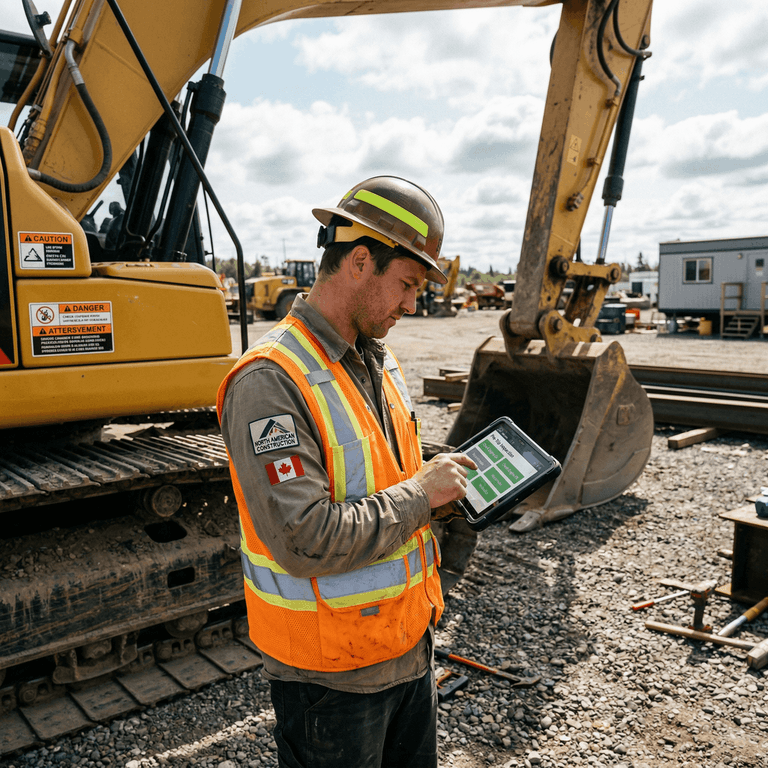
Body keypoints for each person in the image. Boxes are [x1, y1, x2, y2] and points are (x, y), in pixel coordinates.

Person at [217, 176, 476, 768]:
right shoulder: (271, 381)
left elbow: (385, 476)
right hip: (332, 680)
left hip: (406, 649)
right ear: (360, 261)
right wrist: (421, 494)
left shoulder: (376, 361)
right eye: (407, 284)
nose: (413, 304)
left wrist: (450, 493)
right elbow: (304, 538)